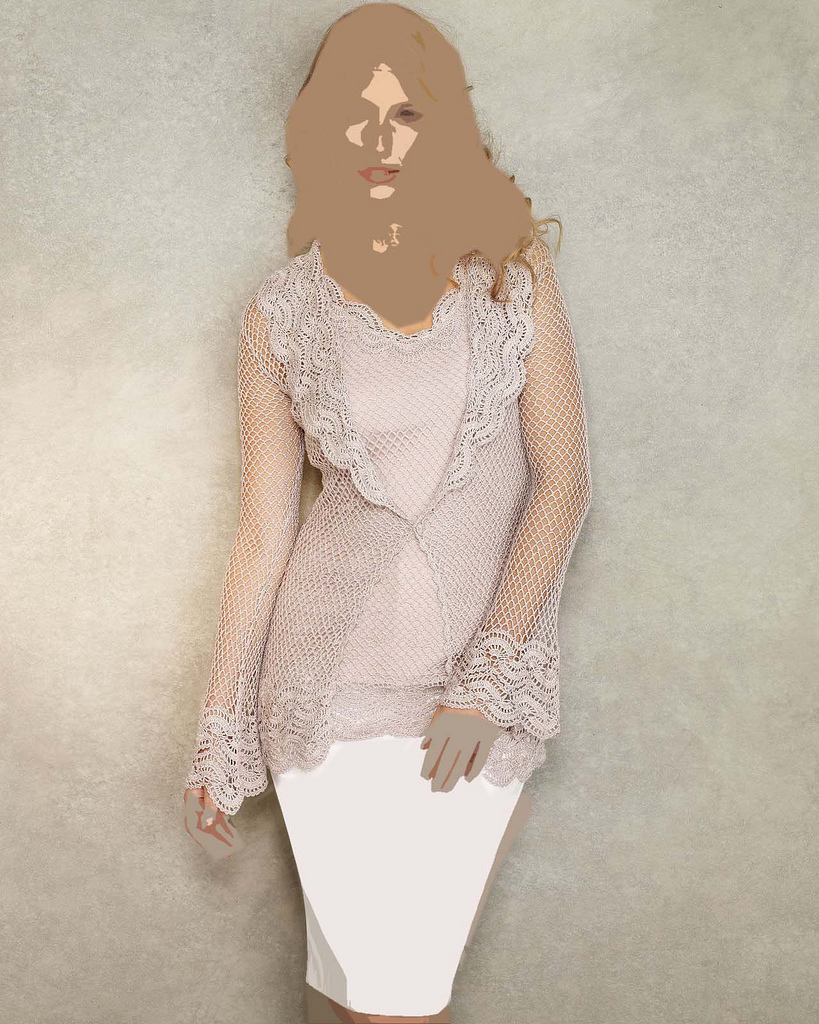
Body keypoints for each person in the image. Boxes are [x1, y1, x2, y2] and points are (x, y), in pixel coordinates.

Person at [183, 4, 593, 1022]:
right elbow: (265, 529)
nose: (377, 138)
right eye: (352, 114)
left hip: (472, 697)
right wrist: (220, 723)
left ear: (439, 123)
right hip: (324, 693)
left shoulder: (510, 278)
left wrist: (486, 680)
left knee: (392, 999)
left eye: (404, 113)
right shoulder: (280, 311)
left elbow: (564, 484)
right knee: (361, 999)